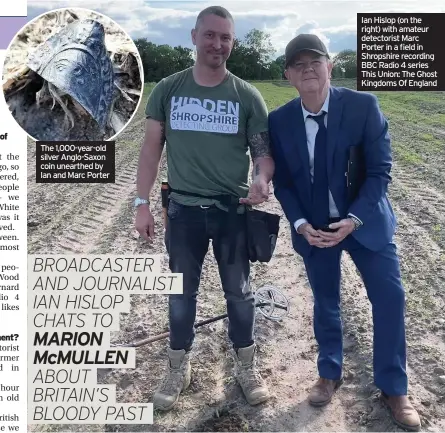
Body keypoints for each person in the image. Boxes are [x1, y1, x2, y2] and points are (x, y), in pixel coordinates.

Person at [268, 33, 421, 431]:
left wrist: (353, 219)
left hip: (364, 222)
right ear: (288, 75)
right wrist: (301, 225)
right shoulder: (280, 120)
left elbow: (379, 172)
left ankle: (394, 387)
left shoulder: (362, 106)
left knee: (390, 298)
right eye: (298, 65)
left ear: (329, 67)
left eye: (315, 62)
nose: (308, 70)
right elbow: (283, 182)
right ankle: (329, 372)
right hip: (315, 228)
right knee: (326, 301)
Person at [134, 6, 275, 411]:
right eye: (210, 35)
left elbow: (262, 155)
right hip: (183, 212)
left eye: (226, 37)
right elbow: (150, 150)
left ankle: (246, 366)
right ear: (194, 37)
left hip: (233, 213)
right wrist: (142, 204)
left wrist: (262, 179)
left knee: (241, 293)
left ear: (233, 42)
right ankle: (178, 367)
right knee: (180, 296)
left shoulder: (246, 95)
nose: (218, 44)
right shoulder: (168, 89)